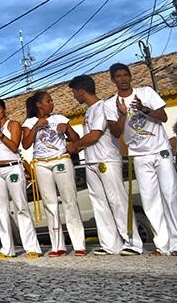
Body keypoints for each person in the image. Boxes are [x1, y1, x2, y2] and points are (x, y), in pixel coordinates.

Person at [65, 75, 142, 255]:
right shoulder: (89, 110)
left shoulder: (103, 106)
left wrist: (74, 146)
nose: (74, 96)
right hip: (92, 161)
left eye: (74, 92)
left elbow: (95, 135)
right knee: (99, 203)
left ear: (81, 91)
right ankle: (110, 244)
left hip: (106, 160)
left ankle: (132, 243)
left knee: (118, 201)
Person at [106, 63, 177, 255]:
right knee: (149, 200)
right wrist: (123, 114)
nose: (122, 79)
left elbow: (162, 117)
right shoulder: (110, 104)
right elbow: (115, 131)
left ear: (130, 76)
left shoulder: (146, 92)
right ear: (113, 80)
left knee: (170, 195)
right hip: (138, 155)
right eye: (118, 76)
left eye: (125, 75)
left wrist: (144, 109)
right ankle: (162, 246)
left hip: (160, 150)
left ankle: (176, 243)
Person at [21, 90, 86, 257]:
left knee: (69, 200)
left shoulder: (60, 118)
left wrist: (67, 130)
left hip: (61, 159)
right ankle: (58, 246)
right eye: (48, 101)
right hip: (41, 164)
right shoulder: (29, 122)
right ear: (39, 105)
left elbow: (76, 138)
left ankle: (79, 244)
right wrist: (36, 127)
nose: (51, 103)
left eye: (51, 101)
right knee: (50, 204)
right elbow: (26, 144)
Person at [0, 98, 41, 259]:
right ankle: (7, 249)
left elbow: (14, 146)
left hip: (12, 166)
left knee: (21, 206)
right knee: (1, 209)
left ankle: (31, 247)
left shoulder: (13, 125)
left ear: (4, 109)